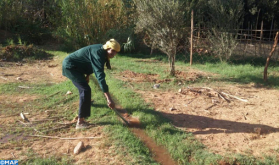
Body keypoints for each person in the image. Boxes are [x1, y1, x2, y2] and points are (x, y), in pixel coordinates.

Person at [62, 39, 121, 129]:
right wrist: (109, 98)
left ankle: (86, 102)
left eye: (116, 52)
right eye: (112, 51)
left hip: (78, 67)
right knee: (85, 90)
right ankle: (80, 122)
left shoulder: (102, 52)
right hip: (71, 67)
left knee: (85, 87)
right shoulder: (98, 54)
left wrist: (87, 75)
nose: (114, 54)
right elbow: (100, 77)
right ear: (107, 48)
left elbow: (90, 61)